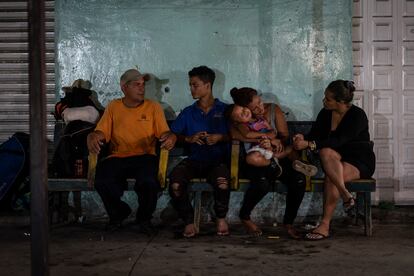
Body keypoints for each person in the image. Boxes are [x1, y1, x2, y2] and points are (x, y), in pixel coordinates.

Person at [87, 69, 177, 234]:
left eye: (143, 85)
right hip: (118, 156)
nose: (142, 88)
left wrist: (171, 136)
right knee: (101, 180)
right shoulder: (114, 107)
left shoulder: (153, 107)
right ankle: (118, 213)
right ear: (124, 87)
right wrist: (93, 136)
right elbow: (102, 132)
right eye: (137, 85)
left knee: (149, 182)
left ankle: (144, 219)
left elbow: (164, 132)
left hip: (145, 157)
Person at [293, 80, 375, 241]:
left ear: (341, 102)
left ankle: (324, 224)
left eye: (328, 99)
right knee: (326, 153)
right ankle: (345, 193)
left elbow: (339, 140)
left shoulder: (357, 115)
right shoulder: (325, 113)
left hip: (358, 160)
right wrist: (302, 138)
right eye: (325, 97)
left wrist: (309, 144)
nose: (324, 101)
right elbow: (315, 135)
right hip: (333, 158)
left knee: (331, 176)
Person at [230, 87, 312, 239]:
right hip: (257, 161)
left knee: (299, 180)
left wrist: (273, 142)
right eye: (254, 107)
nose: (260, 108)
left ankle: (289, 223)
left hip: (276, 156)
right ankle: (245, 216)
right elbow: (236, 134)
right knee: (262, 182)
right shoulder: (239, 117)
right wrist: (263, 139)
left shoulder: (273, 111)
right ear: (244, 109)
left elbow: (283, 136)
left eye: (260, 102)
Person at [169, 65, 231, 238]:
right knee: (175, 184)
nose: (191, 89)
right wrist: (188, 139)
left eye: (194, 85)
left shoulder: (225, 110)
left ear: (208, 85)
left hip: (218, 161)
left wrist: (219, 137)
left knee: (222, 183)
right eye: (190, 85)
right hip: (194, 160)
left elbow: (237, 135)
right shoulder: (188, 112)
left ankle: (220, 218)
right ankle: (188, 221)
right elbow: (173, 134)